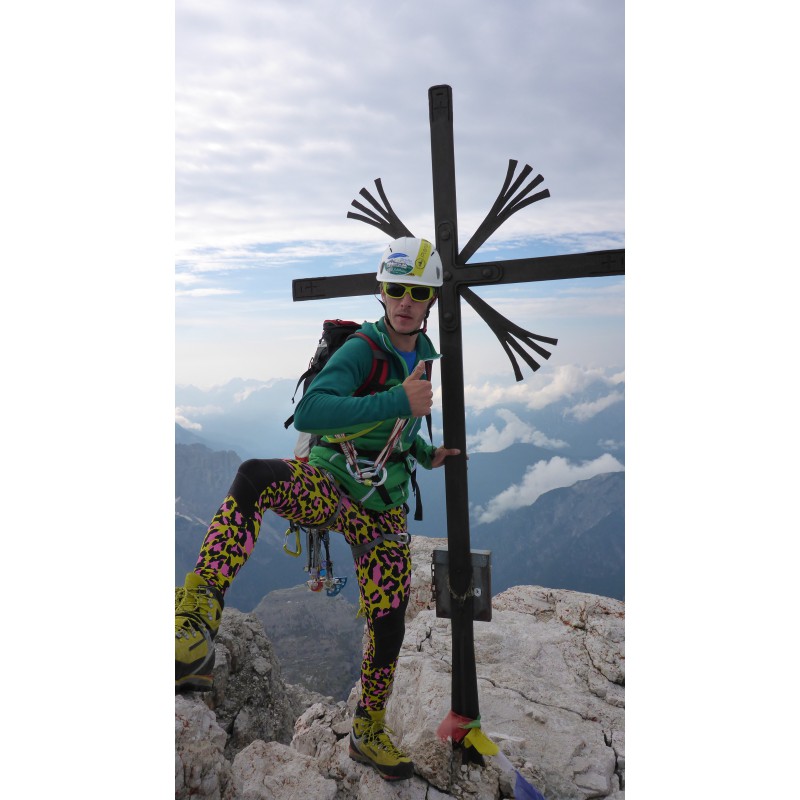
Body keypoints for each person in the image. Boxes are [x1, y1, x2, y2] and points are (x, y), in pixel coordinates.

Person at [175, 236, 461, 781]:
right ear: (382, 291)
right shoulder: (363, 350)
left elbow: (398, 433)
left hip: (384, 508)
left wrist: (428, 453)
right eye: (396, 288)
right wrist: (398, 399)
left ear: (431, 300)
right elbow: (310, 411)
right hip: (330, 484)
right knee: (255, 477)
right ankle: (194, 622)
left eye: (417, 292)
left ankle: (367, 730)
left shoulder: (423, 356)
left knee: (389, 621)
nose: (405, 301)